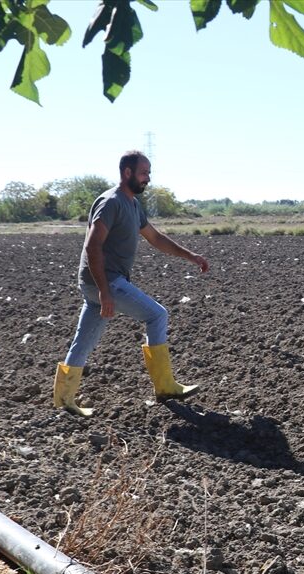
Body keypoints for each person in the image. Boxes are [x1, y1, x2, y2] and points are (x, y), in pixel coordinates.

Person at [52, 150, 209, 416]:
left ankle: (64, 401)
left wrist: (190, 256)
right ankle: (165, 386)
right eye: (144, 173)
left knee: (84, 340)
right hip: (105, 280)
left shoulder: (133, 205)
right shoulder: (111, 202)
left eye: (148, 173)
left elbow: (156, 238)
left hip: (100, 283)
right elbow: (92, 247)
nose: (148, 178)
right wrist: (105, 291)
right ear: (128, 173)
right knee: (157, 315)